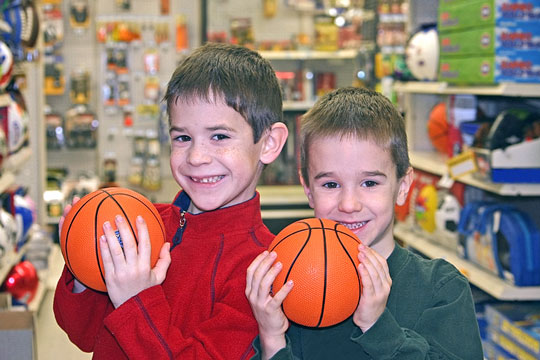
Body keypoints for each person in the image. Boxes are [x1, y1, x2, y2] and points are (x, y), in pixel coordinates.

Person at [53, 42, 289, 359]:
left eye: (219, 136)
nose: (196, 156)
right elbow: (84, 334)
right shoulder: (144, 223)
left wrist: (136, 300)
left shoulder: (262, 269)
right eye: (183, 137)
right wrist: (81, 263)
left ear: (269, 143)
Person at [246, 87, 483, 359]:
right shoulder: (288, 289)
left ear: (403, 186)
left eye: (369, 183)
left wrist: (378, 327)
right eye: (331, 184)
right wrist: (272, 339)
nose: (349, 204)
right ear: (309, 190)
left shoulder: (441, 288)